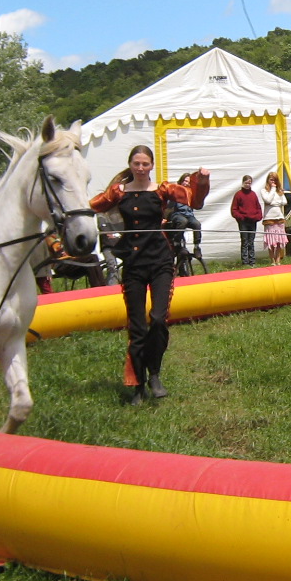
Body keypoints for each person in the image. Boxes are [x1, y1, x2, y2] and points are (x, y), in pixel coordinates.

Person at [89, 145, 210, 404]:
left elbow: (194, 199)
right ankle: (138, 385)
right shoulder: (119, 192)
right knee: (137, 327)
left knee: (157, 319)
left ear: (152, 165)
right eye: (137, 164)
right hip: (133, 264)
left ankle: (154, 373)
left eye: (145, 164)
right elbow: (94, 206)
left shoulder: (162, 190)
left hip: (160, 261)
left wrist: (202, 180)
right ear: (130, 165)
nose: (141, 168)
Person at [230, 174, 263, 267]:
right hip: (243, 222)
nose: (248, 185)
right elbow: (234, 210)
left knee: (251, 242)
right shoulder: (238, 194)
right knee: (245, 241)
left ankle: (252, 261)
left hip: (253, 221)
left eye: (249, 183)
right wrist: (241, 217)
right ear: (243, 183)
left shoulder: (253, 194)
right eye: (246, 183)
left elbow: (258, 207)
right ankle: (245, 262)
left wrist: (258, 217)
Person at [261, 172, 288, 266]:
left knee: (279, 240)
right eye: (271, 179)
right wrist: (272, 189)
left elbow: (284, 202)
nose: (273, 182)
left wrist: (274, 202)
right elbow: (268, 200)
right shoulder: (264, 191)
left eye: (275, 180)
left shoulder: (279, 191)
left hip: (279, 217)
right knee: (271, 240)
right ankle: (272, 260)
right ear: (268, 180)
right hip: (269, 219)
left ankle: (278, 259)